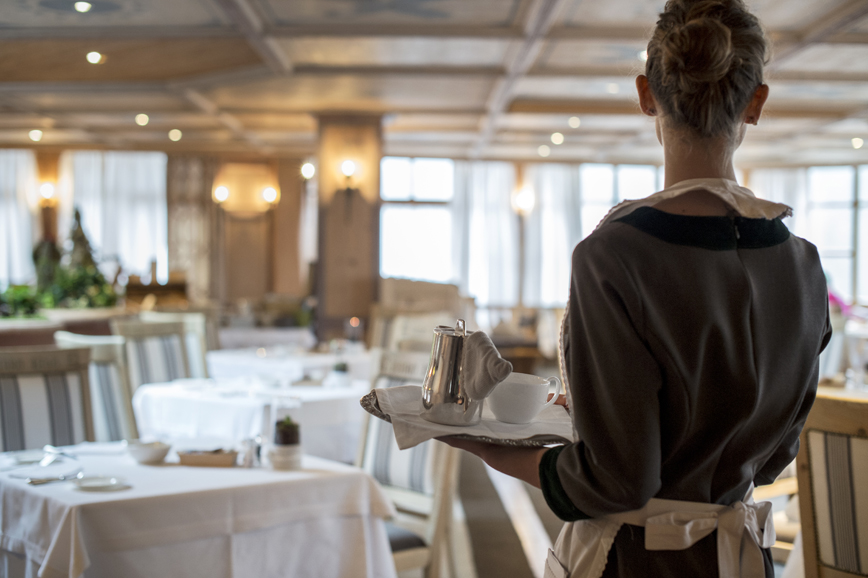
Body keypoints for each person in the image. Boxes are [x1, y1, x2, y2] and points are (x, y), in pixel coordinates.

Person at [440, 1, 832, 576]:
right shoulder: (804, 264)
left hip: (636, 561)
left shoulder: (611, 255)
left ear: (646, 94)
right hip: (744, 558)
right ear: (757, 103)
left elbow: (617, 481)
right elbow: (772, 459)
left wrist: (488, 449)